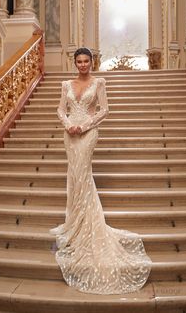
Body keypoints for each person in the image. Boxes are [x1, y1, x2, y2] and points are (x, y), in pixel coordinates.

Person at [49, 47, 152, 294]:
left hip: (88, 133)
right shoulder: (66, 84)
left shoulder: (99, 83)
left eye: (86, 61)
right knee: (74, 176)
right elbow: (60, 109)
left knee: (83, 174)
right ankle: (74, 219)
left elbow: (105, 110)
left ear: (92, 62)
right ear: (74, 62)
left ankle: (85, 224)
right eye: (79, 61)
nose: (83, 65)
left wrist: (84, 125)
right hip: (70, 134)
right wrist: (68, 124)